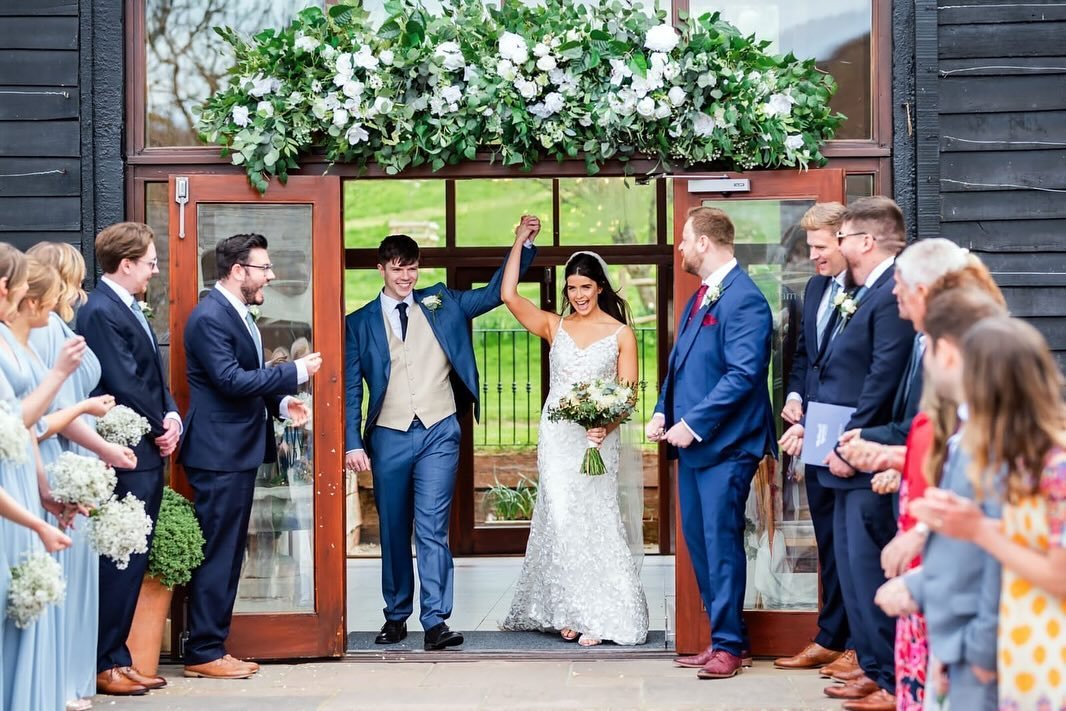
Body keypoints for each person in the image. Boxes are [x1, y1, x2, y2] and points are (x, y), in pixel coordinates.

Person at [344, 229, 537, 650]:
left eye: (412, 268)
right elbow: (352, 391)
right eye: (398, 269)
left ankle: (435, 622)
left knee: (432, 529)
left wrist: (522, 245)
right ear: (381, 269)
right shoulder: (357, 323)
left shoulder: (442, 302)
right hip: (389, 436)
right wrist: (352, 442)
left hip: (439, 431)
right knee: (394, 531)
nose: (407, 277)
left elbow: (493, 293)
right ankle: (395, 616)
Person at [785, 197, 914, 710]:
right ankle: (860, 655)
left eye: (830, 243)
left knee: (864, 559)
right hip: (825, 438)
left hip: (863, 448)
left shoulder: (882, 293)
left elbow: (879, 378)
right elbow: (811, 360)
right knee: (841, 555)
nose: (823, 253)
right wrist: (803, 411)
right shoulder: (831, 289)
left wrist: (852, 441)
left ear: (859, 240)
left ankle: (880, 668)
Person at [500, 220, 649, 646]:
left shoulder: (621, 335)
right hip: (558, 436)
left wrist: (607, 426)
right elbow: (508, 295)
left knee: (595, 519)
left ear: (599, 287)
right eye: (572, 288)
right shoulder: (554, 326)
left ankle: (601, 613)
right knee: (562, 519)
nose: (578, 295)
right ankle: (571, 606)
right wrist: (519, 243)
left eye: (585, 287)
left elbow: (628, 394)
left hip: (598, 440)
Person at [179, 234, 320, 679]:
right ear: (238, 271)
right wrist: (293, 372)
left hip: (233, 452)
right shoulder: (209, 317)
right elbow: (228, 380)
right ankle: (203, 651)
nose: (272, 275)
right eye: (264, 268)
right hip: (218, 454)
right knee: (219, 553)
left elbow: (245, 386)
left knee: (228, 552)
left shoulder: (238, 314)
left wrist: (282, 404)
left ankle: (211, 646)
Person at [911, 316, 1066, 710]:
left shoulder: (1055, 464)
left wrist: (978, 530)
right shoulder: (1018, 457)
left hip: (1044, 654)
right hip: (1015, 644)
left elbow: (1059, 573)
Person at [647, 206, 776, 680]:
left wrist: (695, 422)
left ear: (704, 242)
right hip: (694, 446)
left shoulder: (744, 299)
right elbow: (679, 363)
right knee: (700, 545)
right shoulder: (699, 298)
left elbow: (744, 375)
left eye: (684, 239)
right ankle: (721, 637)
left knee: (721, 544)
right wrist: (664, 408)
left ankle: (730, 646)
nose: (679, 247)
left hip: (727, 445)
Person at [875, 289, 1006, 710]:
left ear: (948, 353)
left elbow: (999, 552)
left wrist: (980, 650)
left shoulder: (991, 442)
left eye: (926, 347)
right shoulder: (966, 431)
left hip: (975, 640)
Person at [77, 222, 181, 696]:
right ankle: (104, 661)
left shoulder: (126, 305)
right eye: (150, 262)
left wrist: (173, 414)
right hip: (124, 450)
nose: (155, 270)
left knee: (133, 555)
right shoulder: (101, 310)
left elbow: (151, 374)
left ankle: (119, 656)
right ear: (126, 265)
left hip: (143, 444)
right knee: (119, 555)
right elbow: (123, 378)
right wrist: (160, 423)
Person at [0, 243, 82, 711]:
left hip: (23, 478)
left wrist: (44, 491)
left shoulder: (21, 338)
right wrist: (59, 376)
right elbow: (23, 423)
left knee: (29, 597)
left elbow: (20, 433)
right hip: (9, 480)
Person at [775, 202, 855, 674]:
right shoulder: (816, 287)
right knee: (828, 539)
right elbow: (806, 356)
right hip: (816, 432)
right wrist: (796, 395)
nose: (814, 256)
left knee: (853, 545)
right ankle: (830, 636)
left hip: (852, 435)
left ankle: (860, 646)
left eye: (821, 247)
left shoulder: (869, 293)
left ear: (845, 240)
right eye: (810, 247)